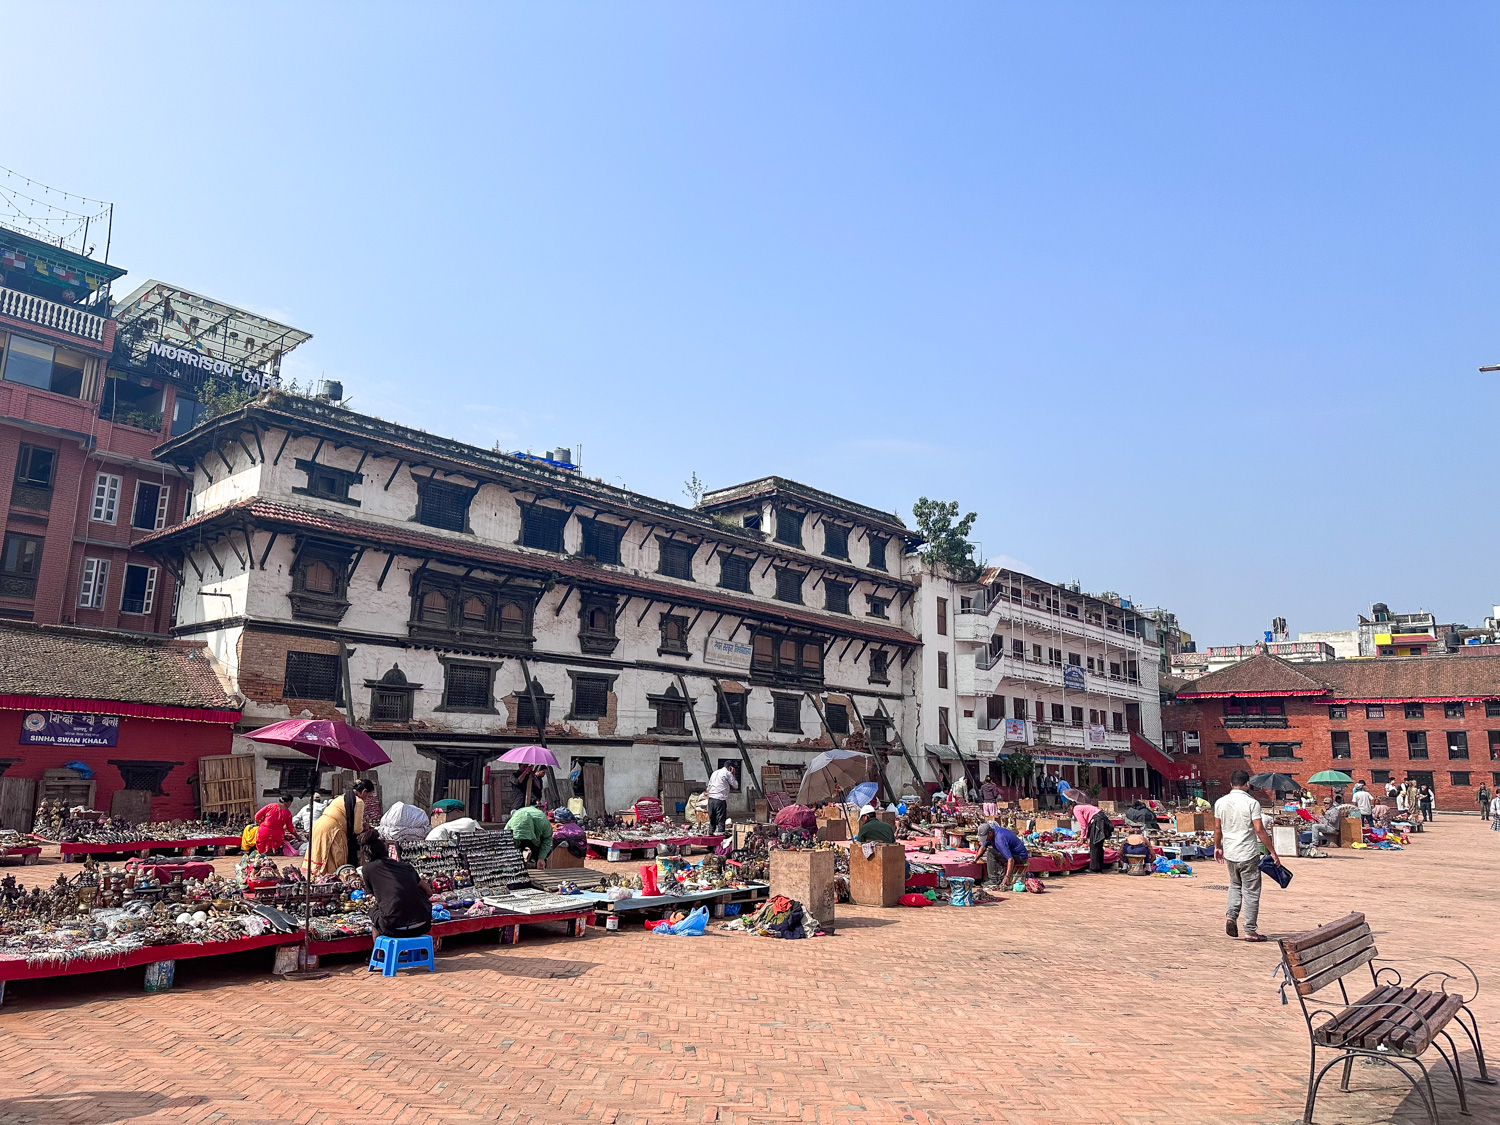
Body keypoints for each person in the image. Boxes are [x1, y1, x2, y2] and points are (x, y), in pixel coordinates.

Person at [1214, 769, 1279, 942]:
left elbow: (1217, 829)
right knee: (1251, 891)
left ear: (1230, 784)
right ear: (1247, 784)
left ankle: (1231, 916)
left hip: (1230, 852)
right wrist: (1272, 852)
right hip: (1248, 853)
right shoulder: (1252, 803)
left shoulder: (1220, 802)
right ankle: (1250, 930)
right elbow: (1259, 829)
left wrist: (1217, 847)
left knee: (1235, 885)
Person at [355, 829, 433, 938]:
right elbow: (429, 892)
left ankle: (380, 954)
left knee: (373, 914)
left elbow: (371, 897)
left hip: (393, 927)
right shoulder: (406, 867)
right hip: (424, 923)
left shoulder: (368, 869)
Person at [308, 781, 371, 877]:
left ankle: (319, 879)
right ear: (364, 791)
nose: (367, 798)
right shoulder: (358, 802)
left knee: (321, 857)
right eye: (368, 795)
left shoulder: (341, 797)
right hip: (333, 830)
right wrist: (365, 826)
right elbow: (357, 829)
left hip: (319, 826)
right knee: (335, 860)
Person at [976, 821, 1028, 886]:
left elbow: (1010, 860)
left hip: (1020, 857)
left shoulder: (1000, 840)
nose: (985, 839)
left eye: (986, 837)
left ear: (990, 833)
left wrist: (1007, 876)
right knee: (991, 851)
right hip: (1013, 855)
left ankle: (994, 880)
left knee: (990, 853)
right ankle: (997, 877)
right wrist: (975, 859)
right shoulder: (993, 829)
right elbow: (983, 847)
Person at [506, 801, 553, 866]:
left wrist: (541, 858)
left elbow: (547, 839)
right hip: (517, 838)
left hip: (536, 838)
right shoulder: (510, 825)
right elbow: (506, 845)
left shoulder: (543, 822)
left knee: (539, 855)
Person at [1071, 800, 1108, 873]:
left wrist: (1082, 837)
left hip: (1098, 820)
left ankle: (1094, 868)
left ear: (1070, 807)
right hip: (1101, 818)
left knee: (1094, 844)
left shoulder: (1076, 810)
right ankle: (1099, 867)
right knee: (1098, 844)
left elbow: (1083, 825)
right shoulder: (1081, 807)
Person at [705, 762, 738, 835]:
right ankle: (720, 840)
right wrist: (733, 774)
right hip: (720, 799)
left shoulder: (714, 773)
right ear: (730, 768)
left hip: (711, 799)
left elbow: (709, 787)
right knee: (721, 821)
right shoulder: (727, 773)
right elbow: (735, 786)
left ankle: (710, 839)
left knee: (712, 822)